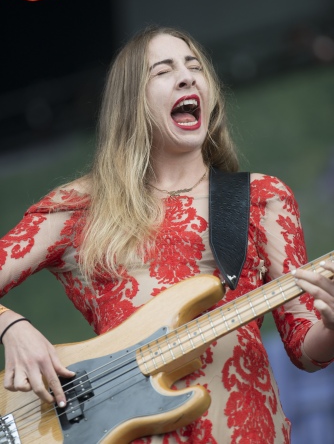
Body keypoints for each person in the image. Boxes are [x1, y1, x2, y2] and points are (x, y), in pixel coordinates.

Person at [0, 25, 333, 444]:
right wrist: (10, 327)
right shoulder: (79, 207)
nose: (186, 76)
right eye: (163, 70)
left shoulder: (261, 197)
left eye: (195, 66)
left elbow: (304, 347)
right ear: (131, 102)